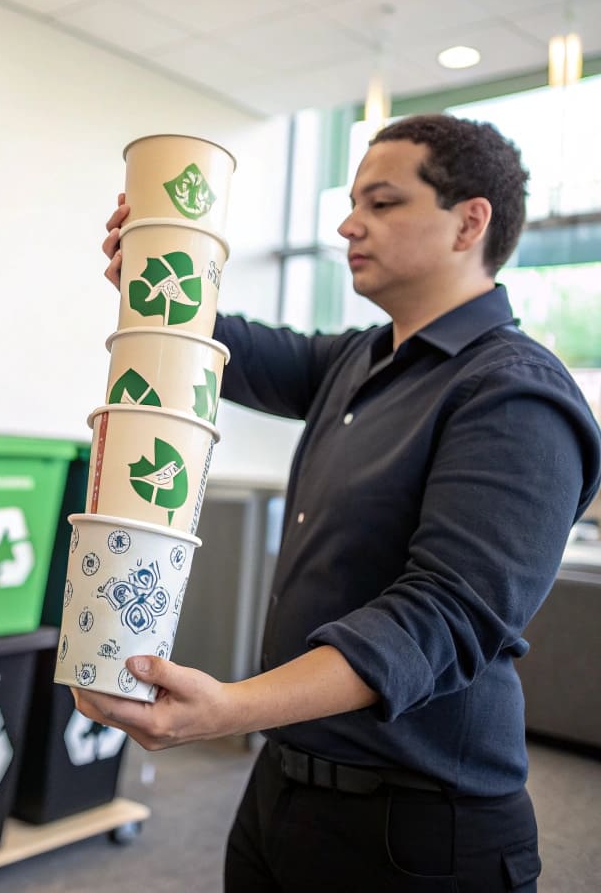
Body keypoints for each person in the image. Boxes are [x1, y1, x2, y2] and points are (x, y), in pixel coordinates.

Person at [75, 114, 601, 892]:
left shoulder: (515, 392)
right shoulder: (358, 360)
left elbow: (446, 615)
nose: (349, 224)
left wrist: (230, 708)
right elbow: (227, 345)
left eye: (383, 203)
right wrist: (156, 272)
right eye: (352, 201)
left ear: (471, 221)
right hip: (283, 783)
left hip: (418, 825)